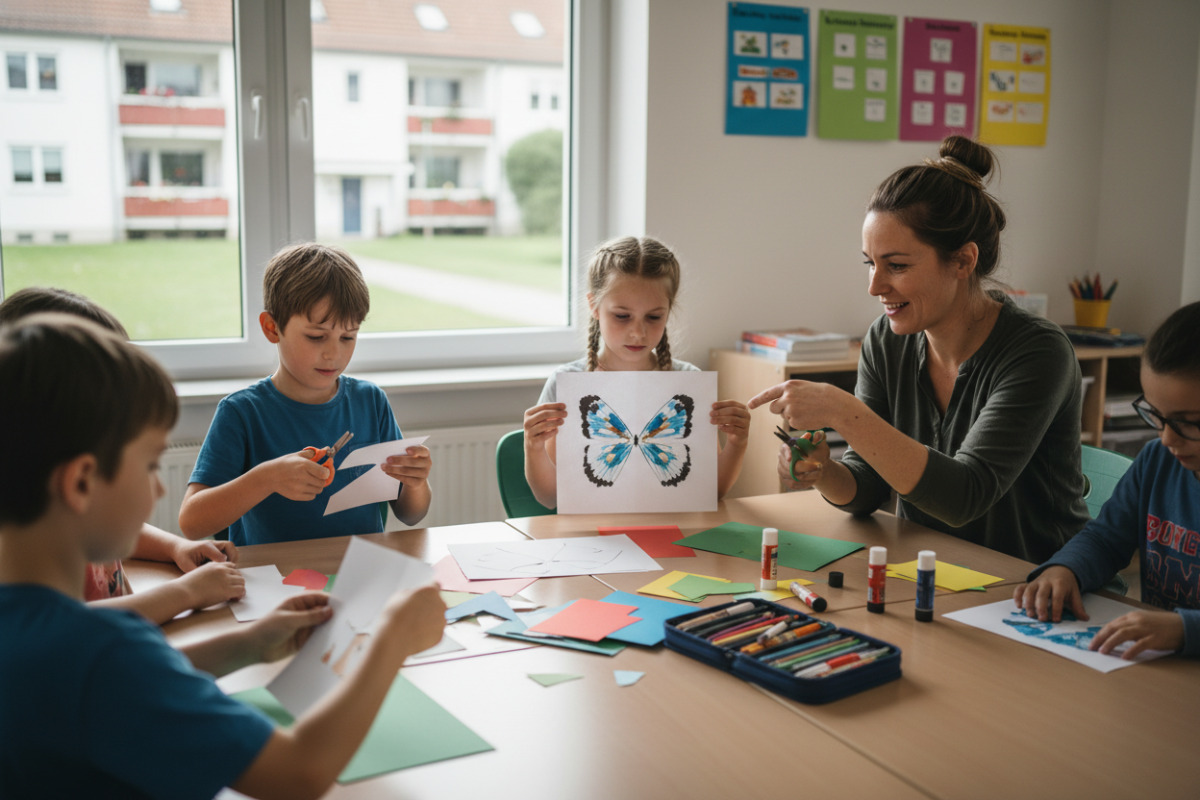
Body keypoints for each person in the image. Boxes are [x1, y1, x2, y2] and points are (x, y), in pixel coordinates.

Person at [0, 314, 446, 798]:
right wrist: (392, 641)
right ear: (82, 482)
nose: (157, 486)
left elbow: (130, 679)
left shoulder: (51, 639)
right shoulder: (103, 654)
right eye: (149, 464)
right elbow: (299, 772)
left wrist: (251, 642)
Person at [748, 136, 1088, 563]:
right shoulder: (885, 340)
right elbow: (868, 484)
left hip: (1035, 587)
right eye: (870, 263)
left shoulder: (1039, 353)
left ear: (963, 261)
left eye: (897, 266)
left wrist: (841, 411)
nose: (875, 286)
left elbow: (965, 497)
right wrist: (824, 472)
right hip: (935, 573)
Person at [0, 286, 244, 625]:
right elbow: (73, 625)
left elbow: (127, 530)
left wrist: (175, 547)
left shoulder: (65, 507)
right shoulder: (26, 543)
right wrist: (186, 593)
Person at [179, 243, 432, 545]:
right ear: (272, 328)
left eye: (348, 337)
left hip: (358, 574)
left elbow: (411, 515)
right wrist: (267, 478)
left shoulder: (371, 401)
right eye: (316, 337)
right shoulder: (242, 413)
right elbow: (191, 523)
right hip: (273, 579)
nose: (333, 354)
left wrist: (415, 483)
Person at [1014, 302, 1200, 658]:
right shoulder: (1158, 461)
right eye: (1157, 416)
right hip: (1157, 667)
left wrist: (1184, 629)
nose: (1166, 439)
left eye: (1188, 422)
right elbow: (1105, 539)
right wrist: (1065, 569)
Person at [523, 236, 750, 509]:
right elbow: (549, 498)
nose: (637, 332)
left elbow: (712, 492)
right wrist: (533, 447)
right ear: (594, 306)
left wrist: (737, 443)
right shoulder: (566, 384)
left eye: (653, 317)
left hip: (673, 532)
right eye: (622, 316)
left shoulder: (687, 382)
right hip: (594, 539)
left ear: (668, 311)